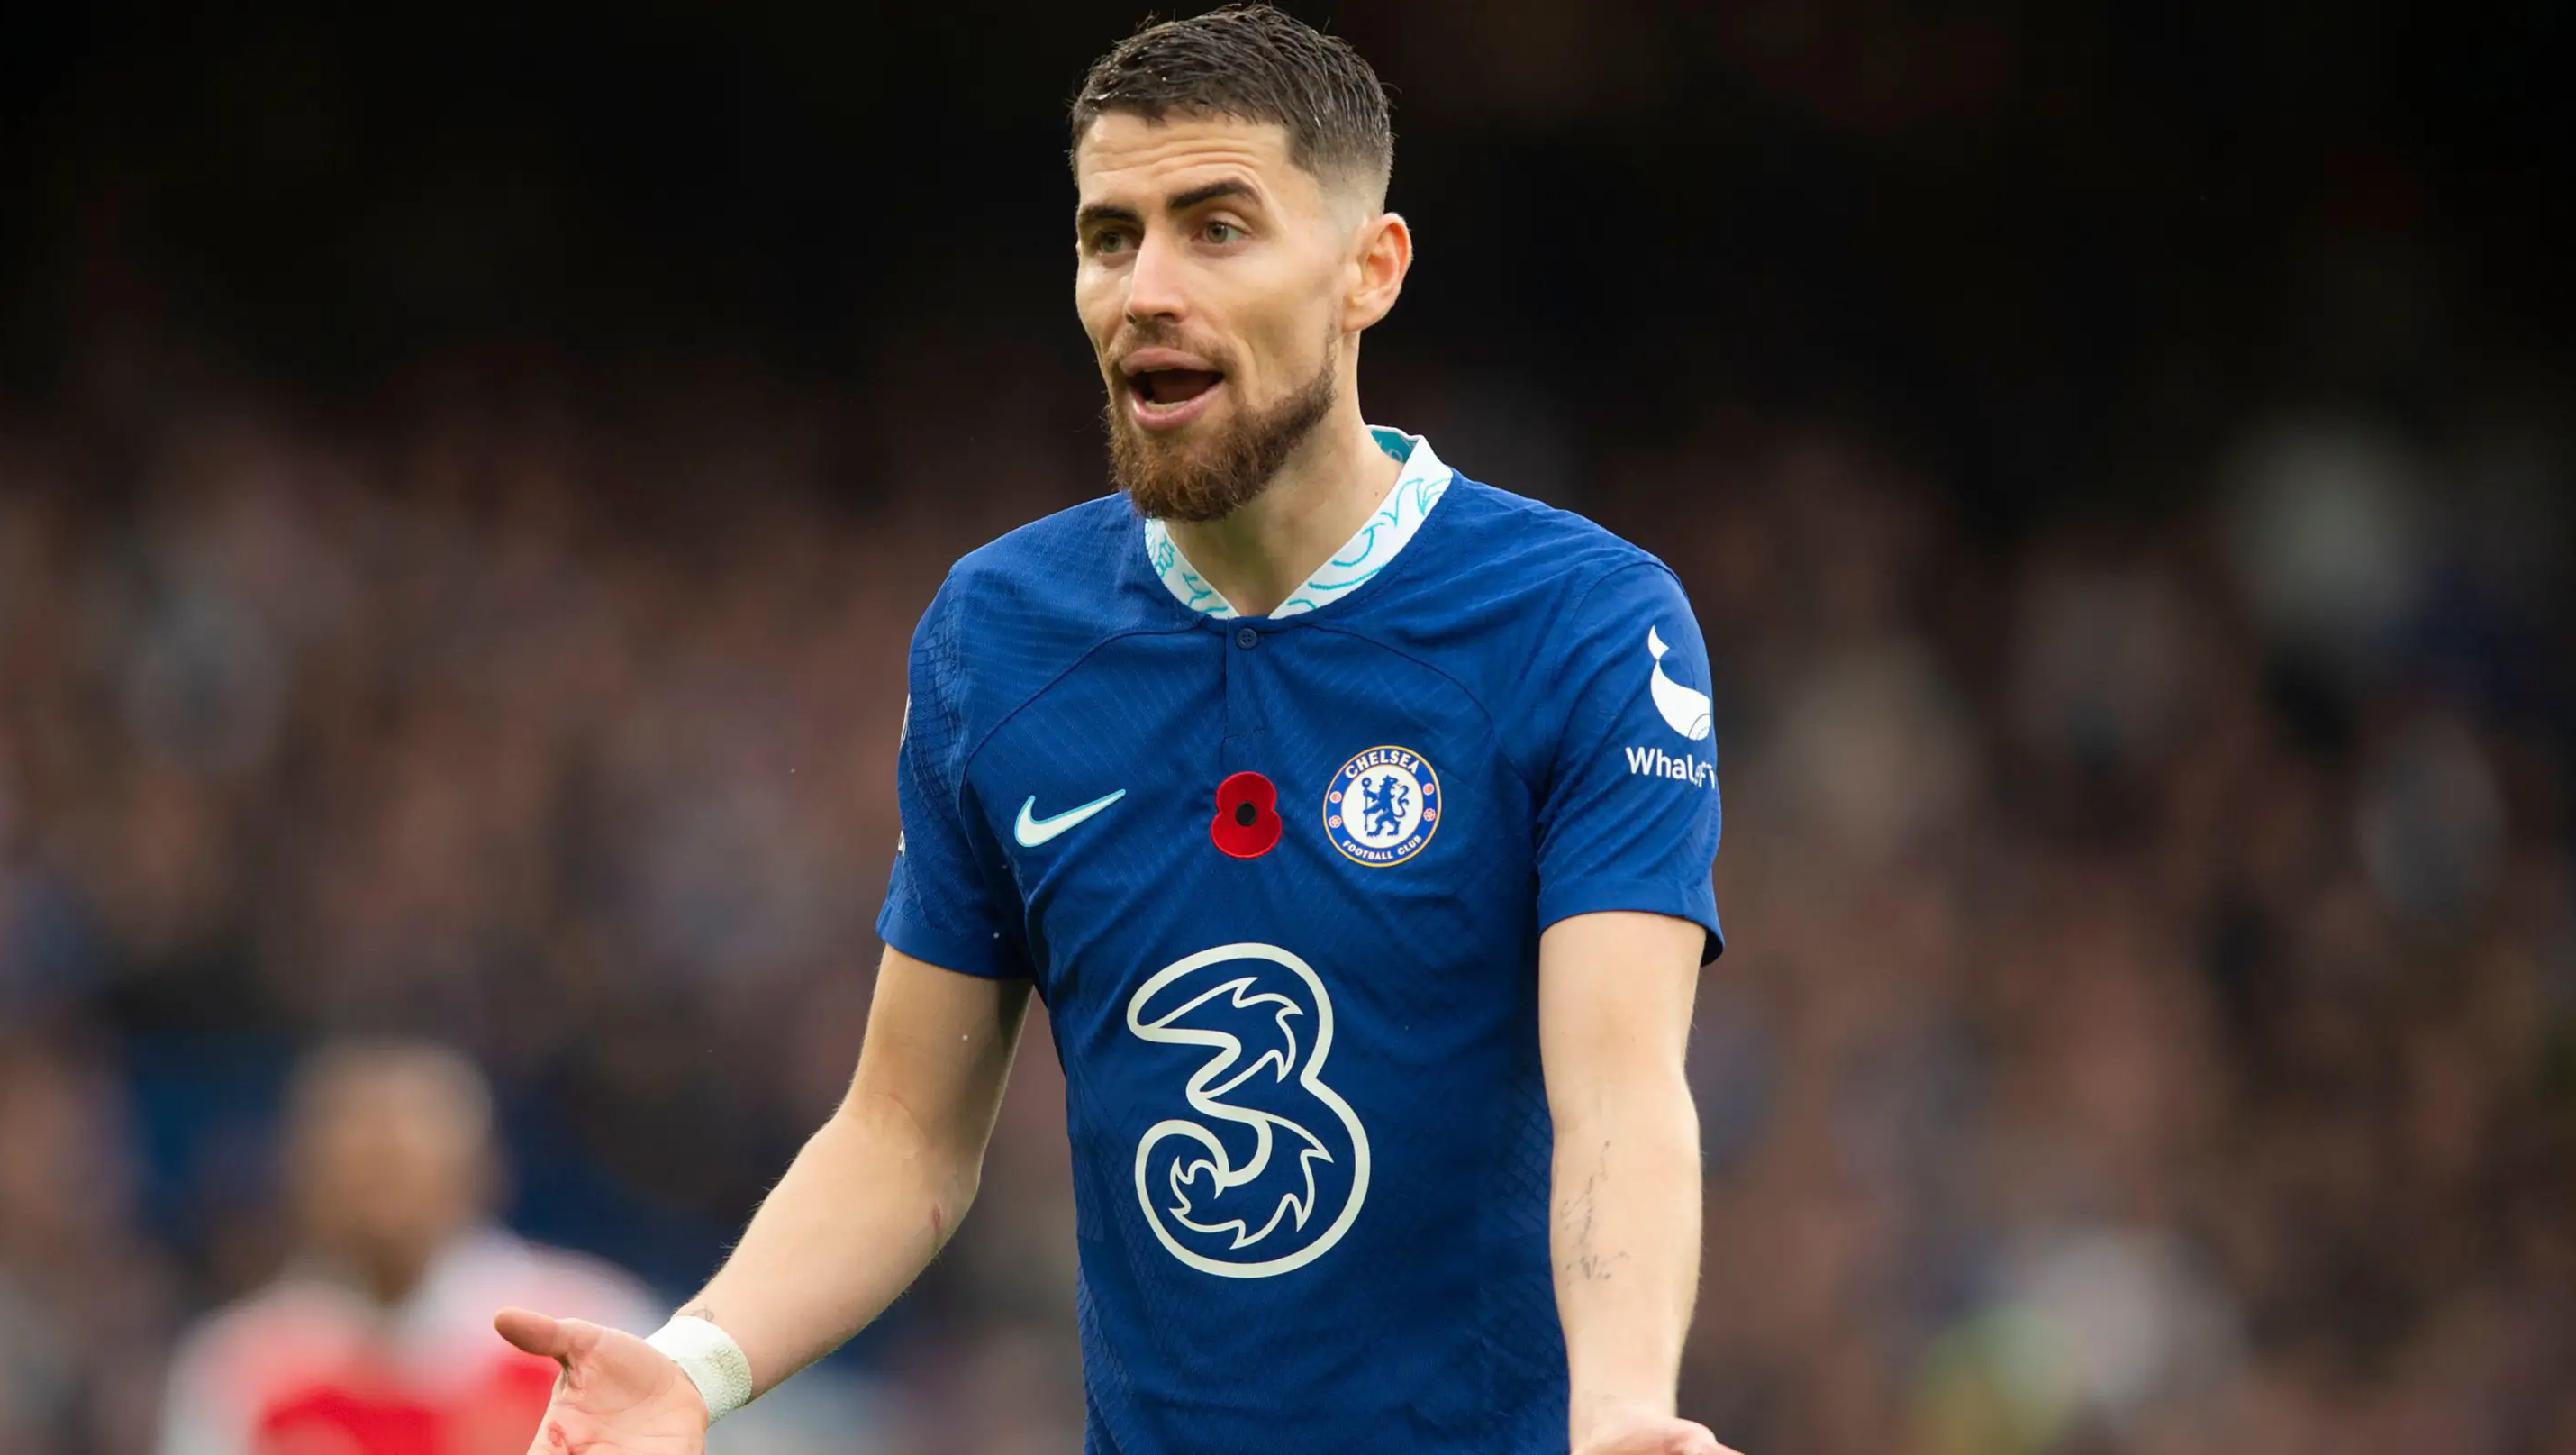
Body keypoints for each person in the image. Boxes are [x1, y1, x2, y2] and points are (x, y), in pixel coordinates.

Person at [496, 7, 1735, 1452]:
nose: (1145, 287)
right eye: (1108, 236)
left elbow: (1621, 1094)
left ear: (1367, 273)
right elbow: (905, 1134)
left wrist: (1627, 1410)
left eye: (1217, 228)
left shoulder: (1583, 621)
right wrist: (696, 1364)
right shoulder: (998, 632)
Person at [157, 1041, 656, 1455]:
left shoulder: (589, 1335)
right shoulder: (239, 1371)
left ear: (484, 1169)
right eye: (362, 1164)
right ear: (303, 1176)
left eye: (404, 1163)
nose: (383, 1192)